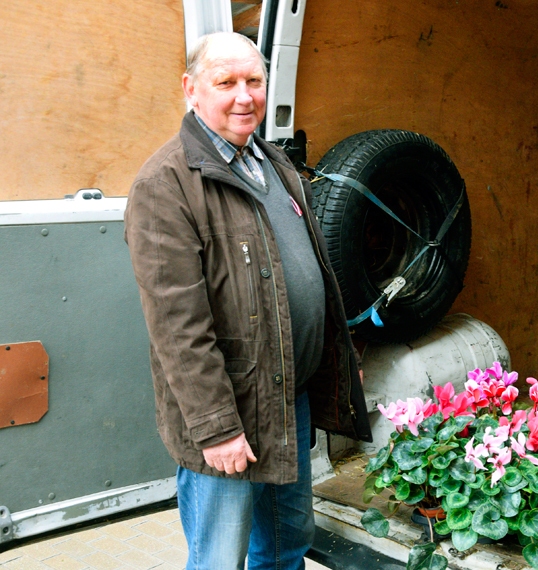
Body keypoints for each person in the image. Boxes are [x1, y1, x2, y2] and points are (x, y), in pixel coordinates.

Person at [124, 32, 371, 570]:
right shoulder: (167, 184)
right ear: (191, 90)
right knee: (220, 556)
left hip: (288, 396)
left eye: (254, 81)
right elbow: (177, 327)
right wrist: (218, 429)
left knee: (287, 544)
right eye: (226, 82)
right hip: (228, 415)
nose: (244, 96)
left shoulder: (274, 164)